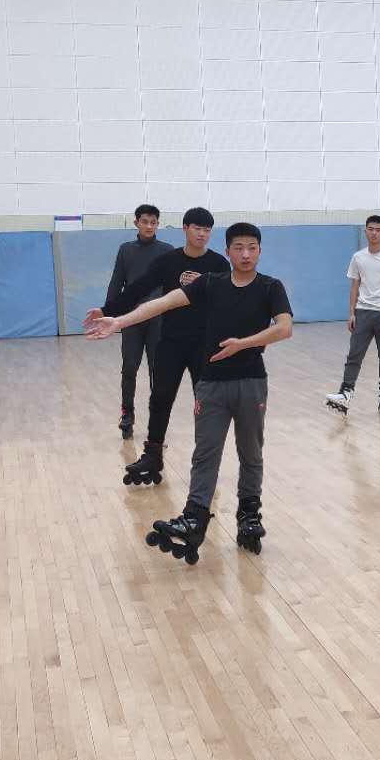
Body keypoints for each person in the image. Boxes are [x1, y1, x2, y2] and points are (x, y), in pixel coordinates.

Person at [85, 223, 293, 562]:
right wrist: (118, 320)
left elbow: (284, 328)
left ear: (259, 251)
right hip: (211, 385)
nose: (245, 254)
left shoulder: (271, 287)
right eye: (238, 247)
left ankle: (249, 515)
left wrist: (244, 344)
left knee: (251, 453)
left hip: (251, 382)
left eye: (252, 248)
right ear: (227, 252)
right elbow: (163, 302)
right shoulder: (210, 283)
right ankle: (195, 517)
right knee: (205, 453)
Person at [86, 207, 231, 486]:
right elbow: (138, 289)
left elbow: (228, 304)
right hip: (171, 342)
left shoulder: (218, 264)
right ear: (185, 229)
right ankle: (153, 455)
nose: (202, 234)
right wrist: (106, 310)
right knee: (160, 397)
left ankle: (206, 460)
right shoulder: (168, 261)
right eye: (197, 228)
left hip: (204, 345)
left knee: (206, 403)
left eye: (207, 230)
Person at [324, 215, 380, 416]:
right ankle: (346, 392)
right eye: (370, 229)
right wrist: (351, 313)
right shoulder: (358, 257)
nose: (374, 233)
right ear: (365, 231)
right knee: (354, 354)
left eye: (378, 229)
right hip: (363, 312)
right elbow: (354, 286)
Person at [104, 204, 173, 438]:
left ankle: (157, 421)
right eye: (145, 222)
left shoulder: (167, 251)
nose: (149, 226)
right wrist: (110, 313)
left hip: (158, 319)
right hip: (132, 319)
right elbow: (116, 282)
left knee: (157, 371)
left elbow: (172, 287)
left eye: (153, 222)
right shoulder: (126, 250)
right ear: (136, 223)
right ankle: (127, 414)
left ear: (158, 224)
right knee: (129, 368)